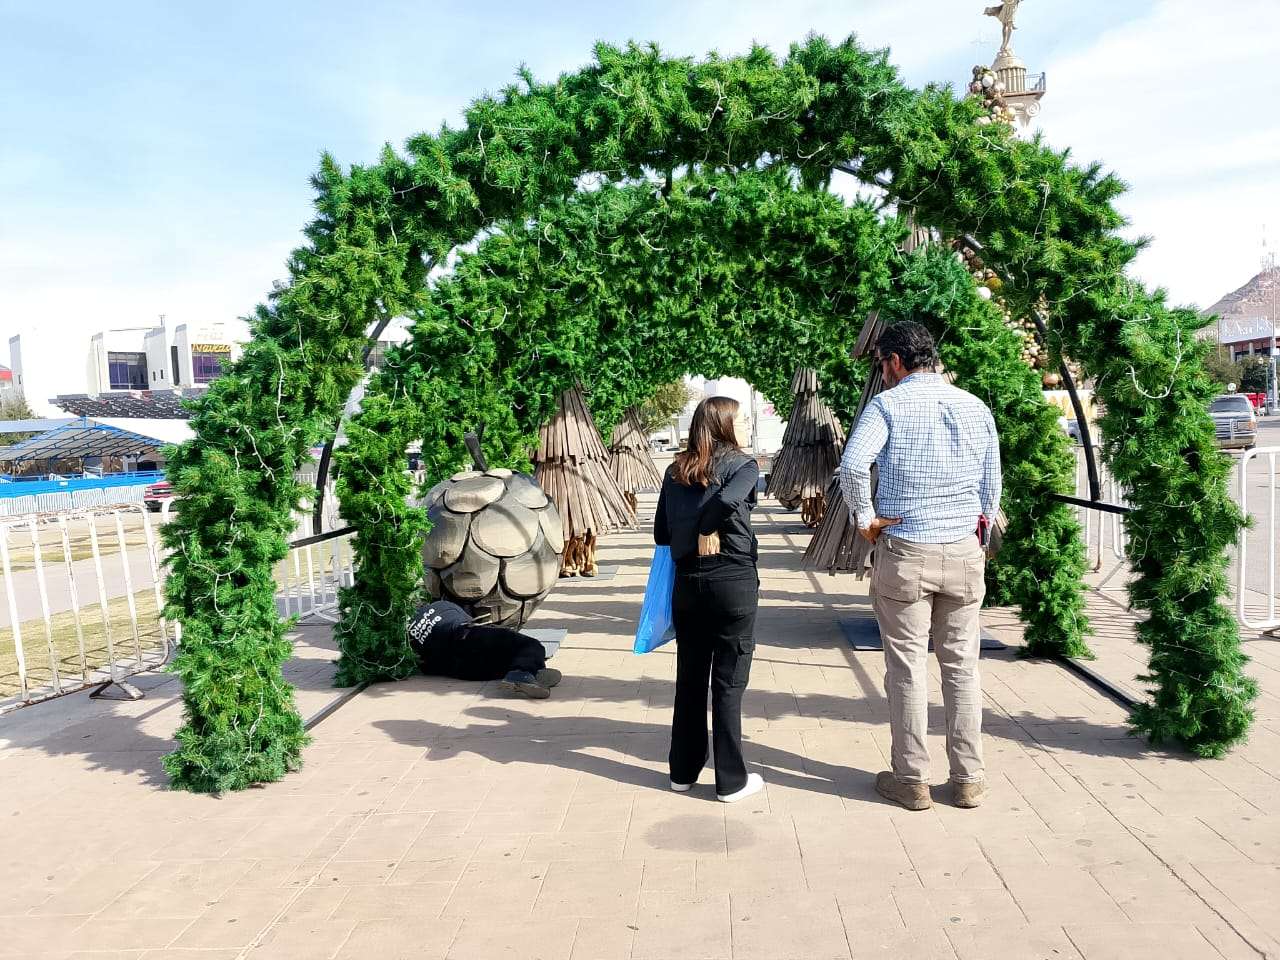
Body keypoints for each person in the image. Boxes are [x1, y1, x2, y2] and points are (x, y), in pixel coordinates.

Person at [838, 320, 1001, 811]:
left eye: (881, 363)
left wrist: (865, 520)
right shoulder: (974, 406)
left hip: (907, 550)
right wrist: (977, 533)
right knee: (962, 666)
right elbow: (991, 485)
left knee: (907, 667)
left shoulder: (886, 405)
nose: (882, 372)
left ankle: (911, 780)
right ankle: (968, 779)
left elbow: (852, 465)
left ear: (894, 360)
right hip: (963, 550)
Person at [654, 396, 764, 803]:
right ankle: (731, 781)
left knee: (690, 679)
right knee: (728, 682)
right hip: (732, 584)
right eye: (742, 418)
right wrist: (706, 527)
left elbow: (661, 533)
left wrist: (689, 527)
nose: (746, 424)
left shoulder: (675, 470)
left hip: (688, 586)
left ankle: (682, 772)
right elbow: (728, 500)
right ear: (725, 424)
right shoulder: (743, 465)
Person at [407, 599, 562, 699]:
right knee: (530, 645)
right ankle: (523, 672)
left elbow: (426, 664)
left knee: (504, 664)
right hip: (469, 637)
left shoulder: (410, 637)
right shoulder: (442, 605)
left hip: (461, 670)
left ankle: (527, 672)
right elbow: (469, 620)